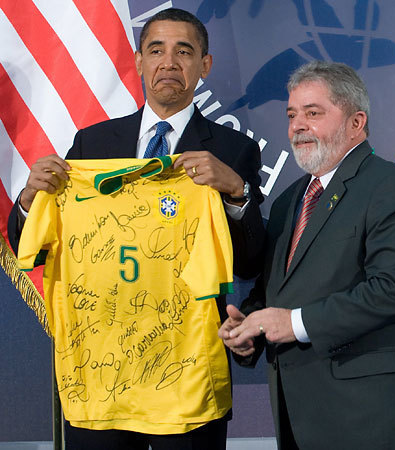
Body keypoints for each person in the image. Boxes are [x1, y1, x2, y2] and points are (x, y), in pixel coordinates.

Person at [8, 8, 265, 450]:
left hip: (186, 376)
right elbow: (33, 249)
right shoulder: (92, 144)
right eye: (157, 50)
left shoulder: (233, 150)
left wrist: (237, 193)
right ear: (139, 61)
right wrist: (31, 200)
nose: (169, 62)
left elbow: (249, 262)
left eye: (184, 51)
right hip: (100, 373)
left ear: (204, 65)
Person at [219, 61, 395, 450]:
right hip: (299, 421)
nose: (297, 126)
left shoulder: (392, 186)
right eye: (292, 115)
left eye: (313, 113)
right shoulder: (288, 201)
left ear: (356, 123)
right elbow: (275, 291)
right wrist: (249, 328)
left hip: (371, 423)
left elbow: (393, 290)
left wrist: (293, 323)